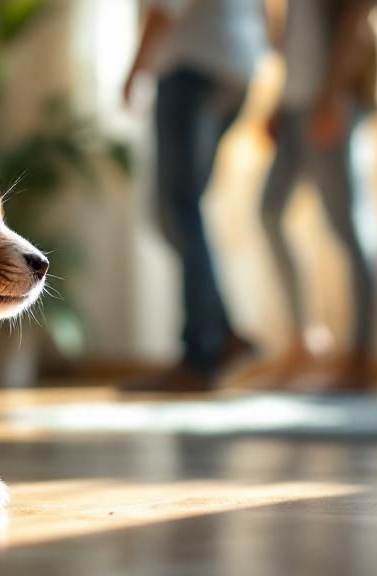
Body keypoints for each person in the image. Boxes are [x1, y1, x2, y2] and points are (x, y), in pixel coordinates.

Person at [123, 0, 268, 390]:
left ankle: (201, 354)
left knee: (179, 208)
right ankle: (223, 332)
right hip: (238, 65)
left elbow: (166, 6)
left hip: (192, 63)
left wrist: (135, 70)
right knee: (179, 211)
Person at [256, 0, 377, 389]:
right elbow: (299, 41)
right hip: (295, 102)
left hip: (334, 97)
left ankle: (361, 355)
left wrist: (332, 93)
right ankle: (306, 337)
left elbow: (358, 16)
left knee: (347, 223)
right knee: (269, 211)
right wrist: (280, 100)